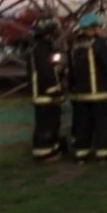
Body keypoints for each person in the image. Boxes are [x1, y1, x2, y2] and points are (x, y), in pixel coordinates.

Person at [68, 12, 107, 164]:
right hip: (100, 94)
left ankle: (81, 155)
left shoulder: (75, 45)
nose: (102, 29)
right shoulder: (99, 44)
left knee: (83, 126)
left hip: (81, 96)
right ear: (93, 28)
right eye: (100, 26)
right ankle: (104, 155)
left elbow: (70, 70)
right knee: (103, 125)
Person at [27, 16, 65, 162]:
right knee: (47, 125)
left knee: (46, 125)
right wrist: (54, 91)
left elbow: (52, 69)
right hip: (46, 95)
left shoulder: (37, 47)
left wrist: (59, 69)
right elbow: (46, 72)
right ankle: (46, 154)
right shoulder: (42, 48)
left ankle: (48, 151)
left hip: (41, 94)